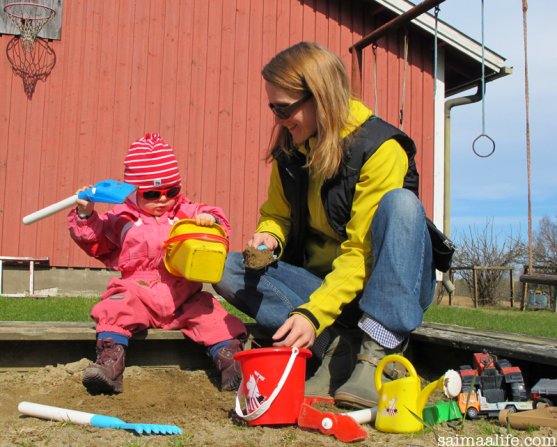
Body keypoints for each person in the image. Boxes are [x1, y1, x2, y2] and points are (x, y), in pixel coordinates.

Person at [214, 41, 436, 409]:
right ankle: (335, 346)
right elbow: (278, 214)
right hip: (325, 287)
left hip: (379, 285)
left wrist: (312, 314)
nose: (277, 119)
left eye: (284, 108)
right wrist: (270, 234)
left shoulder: (381, 148)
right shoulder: (291, 151)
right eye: (272, 107)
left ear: (321, 97)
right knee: (228, 269)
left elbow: (359, 255)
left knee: (402, 206)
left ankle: (376, 354)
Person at [68, 133, 247, 394]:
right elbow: (96, 240)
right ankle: (109, 363)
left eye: (171, 191)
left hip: (183, 295)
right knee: (114, 306)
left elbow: (216, 220)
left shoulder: (185, 212)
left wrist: (210, 219)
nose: (163, 199)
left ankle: (231, 363)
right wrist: (85, 214)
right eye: (152, 193)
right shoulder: (122, 218)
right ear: (134, 191)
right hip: (138, 293)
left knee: (211, 313)